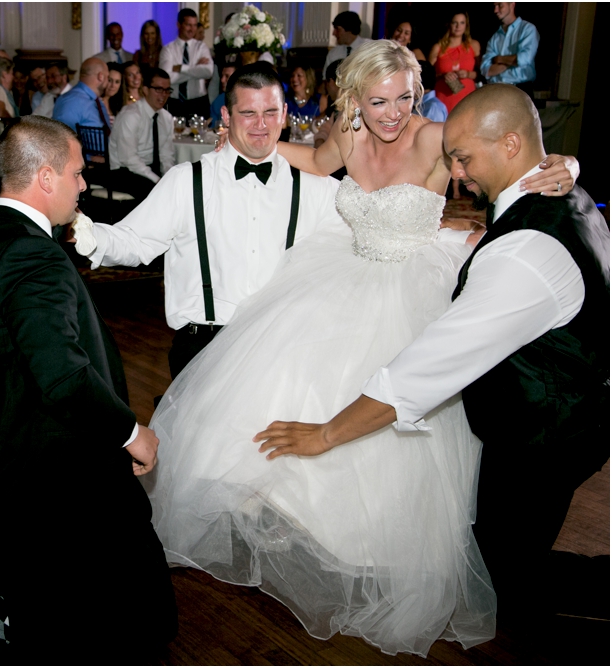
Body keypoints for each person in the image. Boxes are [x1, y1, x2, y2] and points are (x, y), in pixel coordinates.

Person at [144, 42, 582, 656]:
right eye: (379, 100)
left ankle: (369, 552)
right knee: (283, 376)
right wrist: (246, 142)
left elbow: (511, 156)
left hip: (412, 286)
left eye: (405, 96)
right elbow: (315, 160)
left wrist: (567, 164)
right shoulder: (347, 136)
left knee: (398, 415)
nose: (394, 112)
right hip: (341, 272)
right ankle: (290, 523)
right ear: (353, 97)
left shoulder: (435, 139)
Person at [254, 82, 608, 640]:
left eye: (465, 158)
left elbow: (423, 371)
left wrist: (325, 435)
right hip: (565, 413)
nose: (458, 173)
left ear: (513, 145)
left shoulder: (524, 253)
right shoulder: (572, 196)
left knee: (505, 578)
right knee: (505, 552)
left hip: (546, 436)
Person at [0, 115, 177, 663]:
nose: (83, 185)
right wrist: (131, 433)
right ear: (45, 177)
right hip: (57, 477)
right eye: (76, 173)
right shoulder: (33, 256)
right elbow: (64, 375)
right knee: (118, 623)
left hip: (8, 464)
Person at [73, 64, 346, 378]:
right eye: (248, 113)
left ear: (284, 114)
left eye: (270, 112)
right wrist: (83, 232)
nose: (261, 124)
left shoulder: (315, 188)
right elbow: (136, 240)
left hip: (281, 350)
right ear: (227, 117)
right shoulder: (187, 181)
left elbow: (361, 234)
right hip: (204, 350)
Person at [107, 67, 174, 201]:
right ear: (145, 90)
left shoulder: (166, 118)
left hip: (147, 169)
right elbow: (129, 159)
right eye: (158, 90)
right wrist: (157, 180)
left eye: (167, 90)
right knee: (153, 192)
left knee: (179, 187)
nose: (163, 95)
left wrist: (170, 178)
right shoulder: (131, 115)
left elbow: (166, 156)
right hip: (123, 171)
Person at [160, 8, 213, 118]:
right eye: (188, 25)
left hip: (198, 103)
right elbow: (167, 78)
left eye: (194, 25)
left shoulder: (201, 47)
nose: (192, 29)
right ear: (178, 25)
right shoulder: (168, 49)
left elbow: (208, 72)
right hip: (175, 103)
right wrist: (195, 69)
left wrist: (181, 68)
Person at [428, 12, 480, 113]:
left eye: (462, 23)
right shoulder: (438, 48)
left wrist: (468, 74)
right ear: (449, 24)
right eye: (454, 23)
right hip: (443, 99)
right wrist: (443, 76)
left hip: (467, 99)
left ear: (466, 25)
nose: (458, 26)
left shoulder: (473, 45)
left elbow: (482, 74)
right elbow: (426, 77)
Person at [480, 2, 538, 91]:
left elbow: (524, 59)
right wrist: (512, 62)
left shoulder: (527, 29)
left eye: (500, 5)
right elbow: (486, 69)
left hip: (522, 90)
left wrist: (499, 59)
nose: (495, 10)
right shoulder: (494, 38)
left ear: (512, 5)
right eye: (494, 6)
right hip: (498, 91)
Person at [52, 57, 110, 132]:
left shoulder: (94, 100)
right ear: (100, 76)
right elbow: (61, 137)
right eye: (107, 77)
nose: (108, 82)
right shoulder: (72, 102)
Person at [323, 11, 371, 76]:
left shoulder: (370, 48)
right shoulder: (333, 53)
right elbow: (326, 79)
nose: (333, 33)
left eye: (337, 29)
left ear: (349, 29)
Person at [209, 63, 236, 129]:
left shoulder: (249, 101)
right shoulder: (219, 100)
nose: (222, 80)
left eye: (227, 76)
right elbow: (214, 127)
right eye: (222, 76)